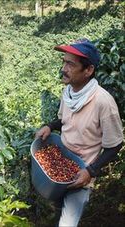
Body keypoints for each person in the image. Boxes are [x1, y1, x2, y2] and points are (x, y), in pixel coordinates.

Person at [35, 38, 123, 227]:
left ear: (88, 70)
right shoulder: (68, 92)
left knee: (67, 223)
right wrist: (50, 126)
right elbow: (64, 120)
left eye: (70, 64)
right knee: (57, 207)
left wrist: (90, 171)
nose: (63, 68)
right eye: (63, 62)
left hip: (81, 173)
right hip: (61, 160)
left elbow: (115, 144)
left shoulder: (103, 102)